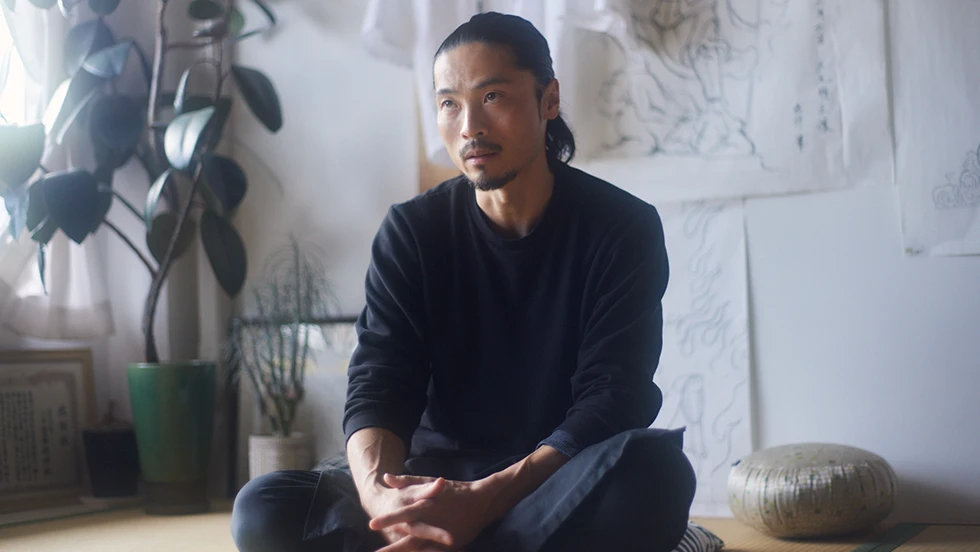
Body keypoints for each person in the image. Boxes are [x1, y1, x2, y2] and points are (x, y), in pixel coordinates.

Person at [231, 12, 695, 552]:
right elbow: (380, 382)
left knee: (656, 477)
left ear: (549, 99)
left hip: (548, 480)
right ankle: (442, 536)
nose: (469, 126)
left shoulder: (622, 227)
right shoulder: (412, 230)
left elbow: (614, 396)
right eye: (449, 103)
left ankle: (452, 538)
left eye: (492, 96)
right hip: (430, 478)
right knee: (263, 507)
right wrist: (383, 502)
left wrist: (484, 500)